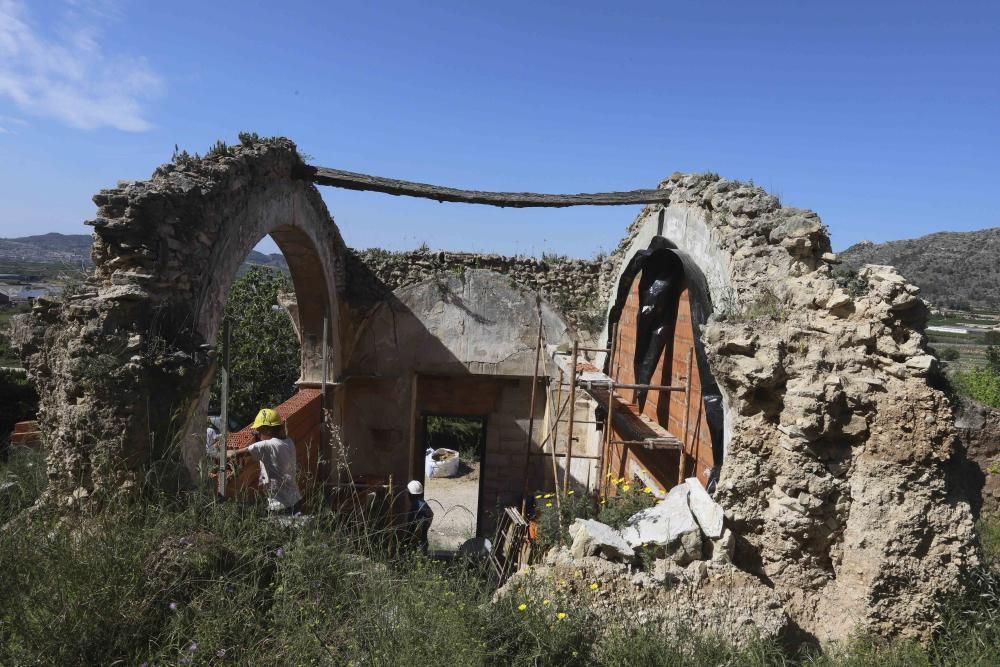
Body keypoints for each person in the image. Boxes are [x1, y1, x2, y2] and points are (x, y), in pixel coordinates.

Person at [228, 408, 304, 515]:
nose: (257, 435)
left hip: (280, 506)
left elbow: (233, 454)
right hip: (296, 500)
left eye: (258, 432)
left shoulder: (267, 446)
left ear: (267, 430)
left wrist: (211, 453)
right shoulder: (288, 441)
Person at [406, 479, 434, 553]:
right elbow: (431, 514)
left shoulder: (416, 506)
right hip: (422, 541)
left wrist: (410, 540)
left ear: (410, 494)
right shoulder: (423, 503)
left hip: (418, 544)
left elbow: (416, 528)